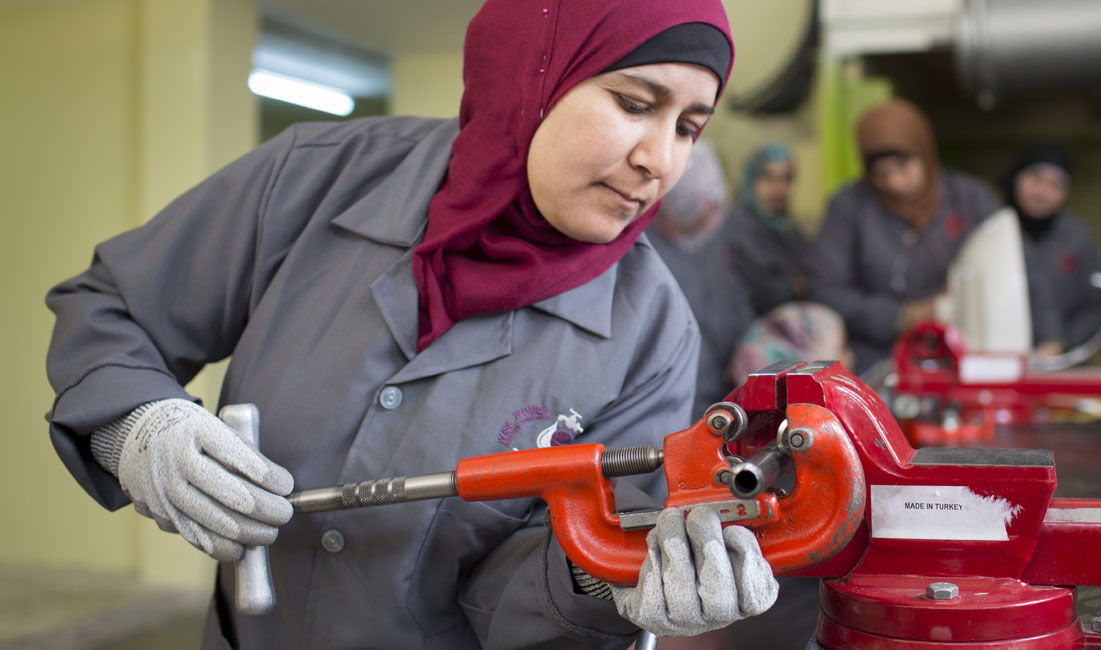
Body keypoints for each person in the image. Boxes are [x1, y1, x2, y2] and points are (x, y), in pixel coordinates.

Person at [44, 2, 782, 649]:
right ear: (531, 77)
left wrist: (607, 581)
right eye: (632, 103)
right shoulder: (311, 178)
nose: (659, 160)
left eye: (689, 127)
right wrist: (137, 425)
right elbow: (115, 306)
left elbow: (528, 584)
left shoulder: (652, 336)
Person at [806, 99, 1002, 374]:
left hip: (956, 357)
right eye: (882, 175)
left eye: (904, 168)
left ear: (924, 153)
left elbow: (1004, 273)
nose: (895, 183)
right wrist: (900, 316)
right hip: (871, 362)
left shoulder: (971, 200)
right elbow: (826, 288)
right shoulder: (848, 206)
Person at [646, 140, 755, 420]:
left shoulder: (715, 239)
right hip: (685, 394)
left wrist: (745, 348)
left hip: (728, 380)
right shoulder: (648, 254)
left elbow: (734, 292)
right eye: (704, 211)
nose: (713, 218)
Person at [1003, 141, 1101, 354]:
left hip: (1062, 363)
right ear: (1016, 177)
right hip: (999, 356)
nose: (1043, 191)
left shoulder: (1077, 237)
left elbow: (1096, 305)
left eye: (1056, 184)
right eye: (1036, 178)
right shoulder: (992, 232)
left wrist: (1062, 344)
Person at [726, 143, 809, 314]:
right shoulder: (736, 226)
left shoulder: (788, 228)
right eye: (769, 179)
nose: (779, 188)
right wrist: (795, 286)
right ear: (750, 180)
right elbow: (757, 292)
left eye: (786, 179)